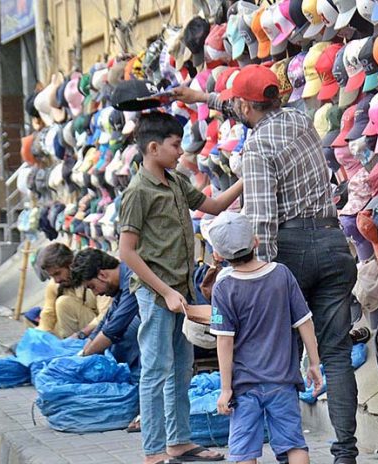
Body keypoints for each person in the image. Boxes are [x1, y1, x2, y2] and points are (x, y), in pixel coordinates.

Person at [173, 65, 359, 464]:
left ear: (245, 104)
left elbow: (261, 219)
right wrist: (203, 98)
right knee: (337, 355)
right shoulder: (299, 117)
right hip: (332, 241)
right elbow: (240, 103)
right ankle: (345, 454)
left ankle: (283, 447)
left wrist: (260, 275)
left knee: (278, 357)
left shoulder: (256, 149)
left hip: (290, 249)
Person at [118, 111, 243, 464]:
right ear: (154, 147)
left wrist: (245, 179)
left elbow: (214, 205)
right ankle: (154, 452)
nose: (180, 151)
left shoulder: (174, 182)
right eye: (175, 145)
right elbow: (127, 252)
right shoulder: (138, 191)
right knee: (156, 370)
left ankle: (179, 442)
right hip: (157, 293)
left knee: (181, 367)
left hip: (181, 291)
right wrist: (166, 292)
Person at [208, 211, 322, 464]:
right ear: (256, 241)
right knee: (294, 445)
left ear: (218, 255)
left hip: (244, 386)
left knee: (245, 451)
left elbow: (224, 341)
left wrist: (225, 389)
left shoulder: (223, 287)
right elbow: (305, 322)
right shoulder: (281, 274)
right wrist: (314, 363)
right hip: (283, 381)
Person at [69, 248, 141, 382]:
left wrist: (84, 359)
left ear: (102, 275)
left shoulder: (132, 277)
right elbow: (106, 320)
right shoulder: (121, 284)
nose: (95, 294)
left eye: (92, 287)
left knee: (130, 329)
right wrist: (83, 353)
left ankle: (136, 379)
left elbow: (114, 329)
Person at [36, 243, 111, 339]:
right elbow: (48, 314)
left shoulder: (92, 275)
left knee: (63, 303)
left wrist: (81, 334)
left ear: (70, 264)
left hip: (100, 327)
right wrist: (40, 336)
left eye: (58, 273)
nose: (57, 280)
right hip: (79, 332)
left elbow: (107, 314)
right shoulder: (55, 285)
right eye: (52, 276)